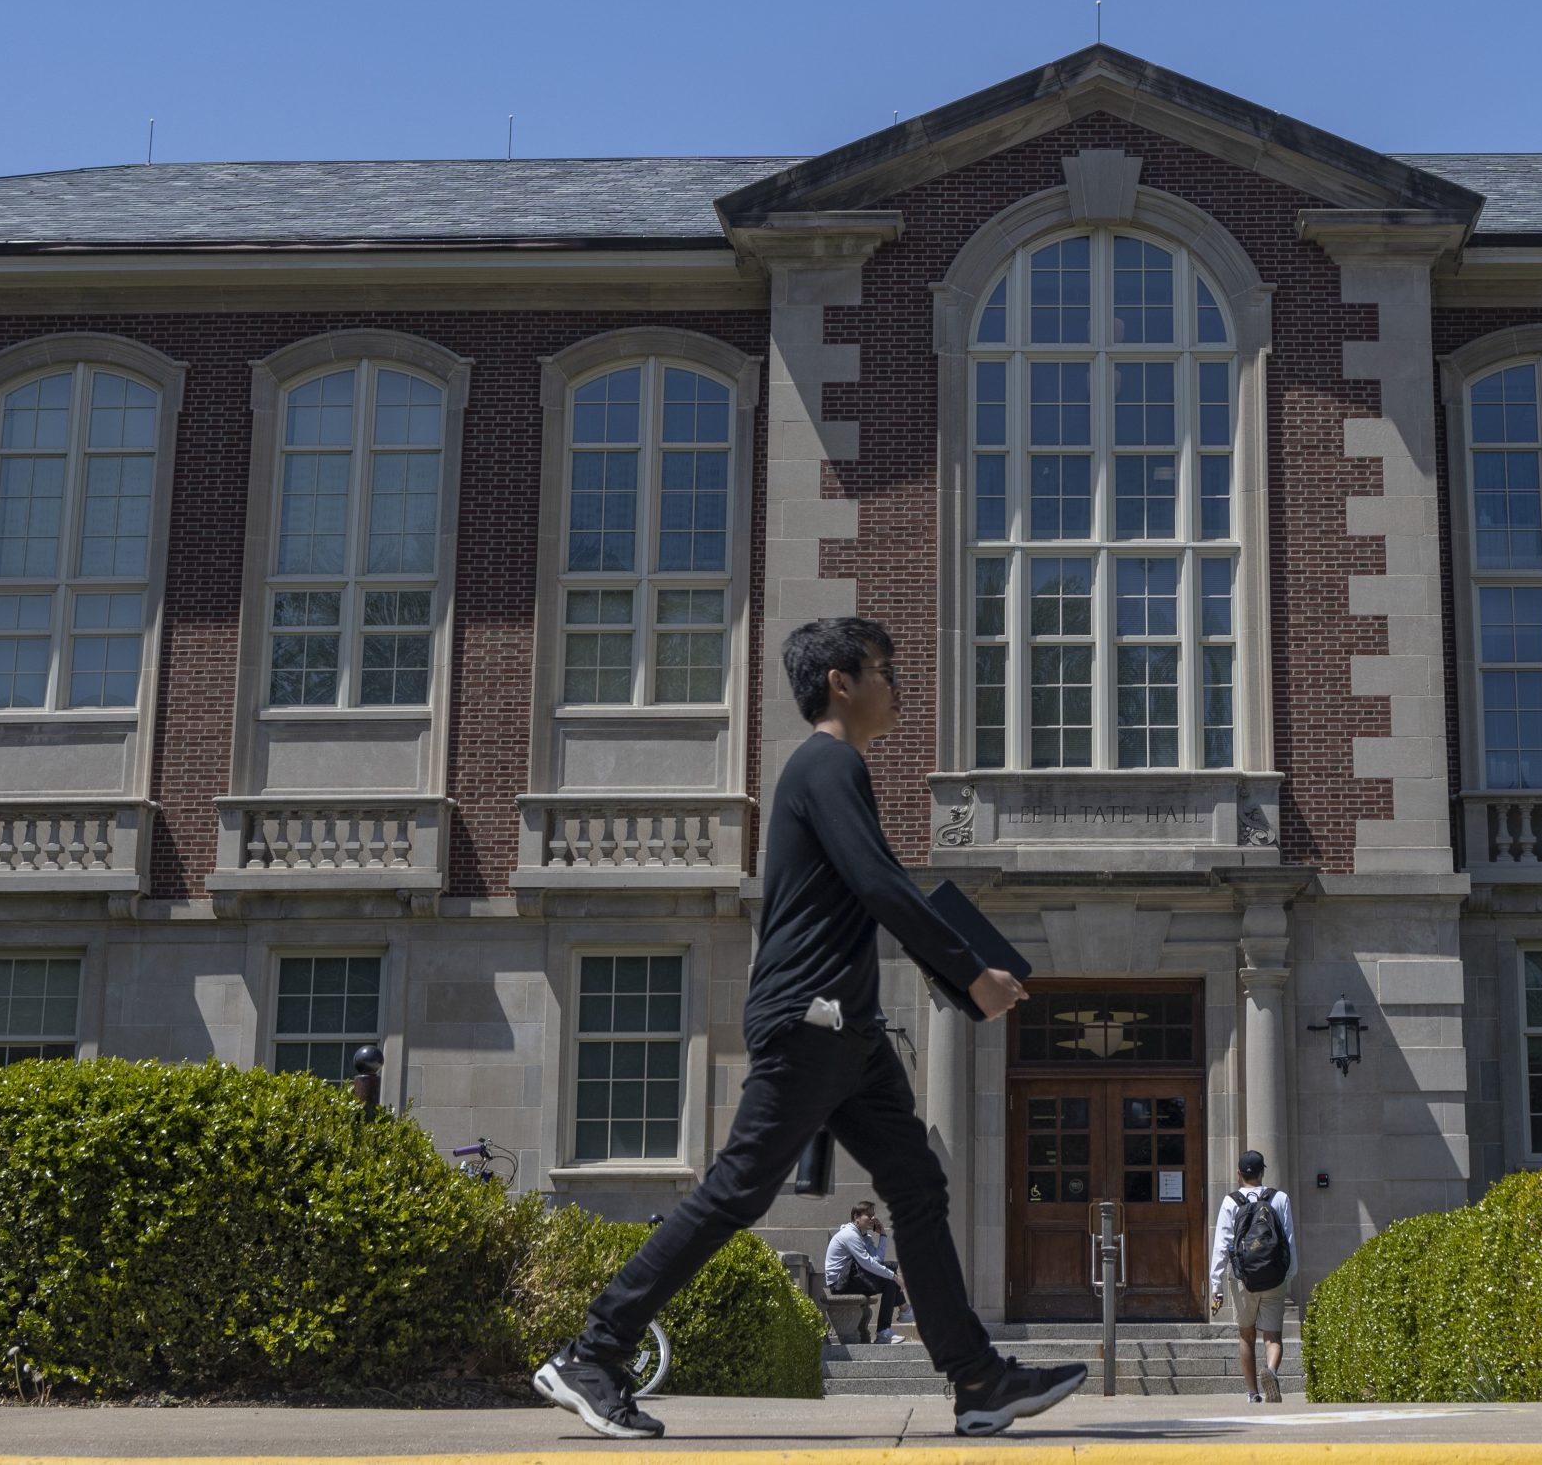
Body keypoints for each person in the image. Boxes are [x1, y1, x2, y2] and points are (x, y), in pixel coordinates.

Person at [535, 617, 1084, 1440]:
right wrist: (971, 973)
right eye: (883, 669)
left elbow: (876, 886)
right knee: (736, 1191)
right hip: (809, 1019)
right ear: (840, 679)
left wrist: (957, 971)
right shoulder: (826, 762)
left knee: (917, 1184)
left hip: (849, 1032)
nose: (896, 683)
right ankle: (594, 1350)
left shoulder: (837, 769)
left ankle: (977, 1379)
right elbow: (880, 884)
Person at [1207, 1148, 1297, 1403]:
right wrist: (1288, 1274)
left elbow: (1222, 1244)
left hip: (1242, 1278)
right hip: (1274, 1277)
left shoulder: (1231, 1201)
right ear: (1263, 1172)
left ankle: (1253, 1393)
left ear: (1239, 1173)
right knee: (1273, 1336)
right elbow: (1289, 1241)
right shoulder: (1279, 1198)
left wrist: (1216, 1286)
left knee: (1246, 1334)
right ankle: (1270, 1371)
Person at [826, 1200, 907, 1343]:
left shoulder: (865, 1237)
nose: (873, 1218)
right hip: (839, 1283)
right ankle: (904, 1310)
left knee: (889, 1280)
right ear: (856, 1217)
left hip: (852, 1278)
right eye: (868, 1215)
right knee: (890, 1277)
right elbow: (866, 1262)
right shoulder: (849, 1235)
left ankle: (884, 1330)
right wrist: (894, 1276)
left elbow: (877, 1260)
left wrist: (882, 1234)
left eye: (873, 1215)